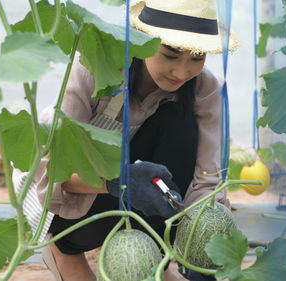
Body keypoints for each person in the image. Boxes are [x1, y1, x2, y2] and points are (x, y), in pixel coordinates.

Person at [26, 0, 238, 280]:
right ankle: (62, 250)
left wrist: (205, 246)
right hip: (71, 203)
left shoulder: (206, 87)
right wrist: (120, 181)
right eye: (170, 55)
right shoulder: (92, 64)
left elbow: (206, 180)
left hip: (141, 204)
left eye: (197, 58)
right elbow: (56, 175)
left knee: (180, 123)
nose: (181, 72)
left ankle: (151, 260)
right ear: (142, 38)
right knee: (70, 222)